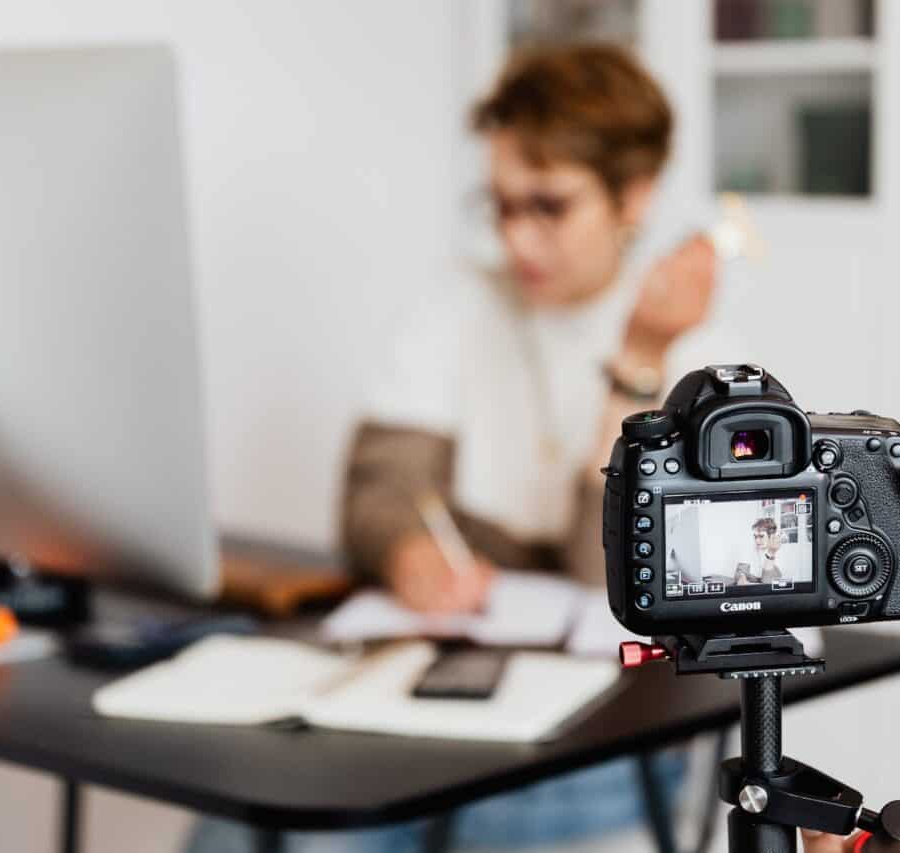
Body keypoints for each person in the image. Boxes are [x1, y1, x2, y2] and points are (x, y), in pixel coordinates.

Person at [190, 42, 732, 853]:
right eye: (502, 205)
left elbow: (610, 575)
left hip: (605, 723)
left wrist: (639, 363)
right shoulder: (461, 306)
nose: (518, 238)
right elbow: (378, 491)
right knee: (262, 822)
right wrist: (409, 551)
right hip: (435, 692)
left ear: (635, 196)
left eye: (549, 207)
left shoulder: (705, 353)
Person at [733, 517, 788, 585]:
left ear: (771, 536)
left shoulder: (779, 552)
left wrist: (771, 552)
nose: (757, 541)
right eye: (755, 536)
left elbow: (767, 581)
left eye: (761, 536)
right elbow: (738, 574)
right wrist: (741, 577)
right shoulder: (751, 548)